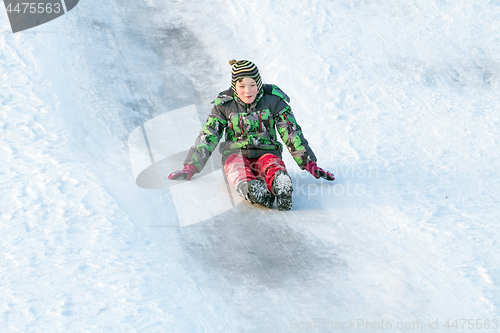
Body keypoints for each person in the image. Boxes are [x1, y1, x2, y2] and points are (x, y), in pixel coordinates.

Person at [168, 60, 334, 210]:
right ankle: (253, 190)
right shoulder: (225, 105)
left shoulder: (274, 101)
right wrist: (191, 166)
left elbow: (291, 133)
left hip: (267, 151)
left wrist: (309, 163)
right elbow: (209, 135)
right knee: (237, 170)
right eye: (242, 86)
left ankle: (280, 183)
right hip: (235, 154)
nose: (248, 91)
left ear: (259, 84)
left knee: (272, 164)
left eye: (252, 85)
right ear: (234, 87)